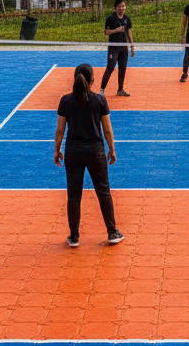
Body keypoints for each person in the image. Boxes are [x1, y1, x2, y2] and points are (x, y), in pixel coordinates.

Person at [54, 63, 123, 247]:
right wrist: (112, 150)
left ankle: (74, 237)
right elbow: (107, 130)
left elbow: (60, 130)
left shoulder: (65, 100)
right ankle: (112, 232)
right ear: (92, 80)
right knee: (103, 192)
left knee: (73, 195)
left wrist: (57, 150)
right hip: (95, 153)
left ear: (75, 79)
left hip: (73, 152)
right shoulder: (100, 100)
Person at [100, 0, 134, 96]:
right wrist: (117, 30)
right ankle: (102, 90)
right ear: (115, 8)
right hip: (113, 47)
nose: (122, 8)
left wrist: (132, 45)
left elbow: (129, 32)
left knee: (123, 68)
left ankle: (120, 89)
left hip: (124, 47)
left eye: (123, 6)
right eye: (119, 6)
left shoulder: (127, 19)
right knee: (110, 67)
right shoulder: (111, 19)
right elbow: (106, 32)